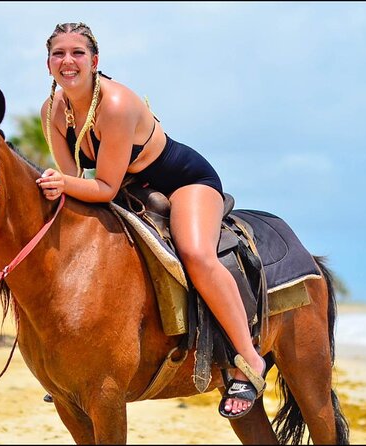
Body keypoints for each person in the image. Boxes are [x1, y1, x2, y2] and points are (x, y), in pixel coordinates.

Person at [35, 22, 266, 419]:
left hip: (182, 181)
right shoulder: (52, 111)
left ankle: (250, 360)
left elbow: (103, 187)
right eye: (59, 54)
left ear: (95, 60)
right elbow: (73, 178)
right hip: (130, 187)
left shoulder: (116, 104)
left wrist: (64, 183)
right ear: (48, 63)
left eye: (77, 53)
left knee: (195, 253)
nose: (67, 61)